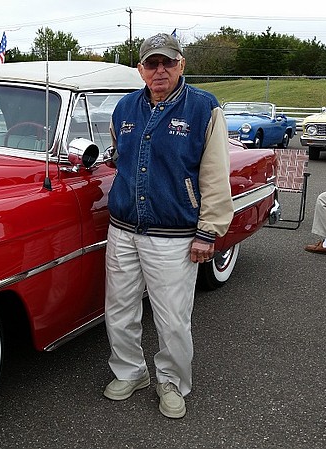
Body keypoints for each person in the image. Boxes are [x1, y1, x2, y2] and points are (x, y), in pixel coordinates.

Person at [102, 33, 234, 419]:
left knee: (173, 317)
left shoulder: (203, 108)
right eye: (152, 63)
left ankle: (172, 380)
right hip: (123, 227)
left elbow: (214, 174)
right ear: (140, 69)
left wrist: (208, 230)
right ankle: (130, 371)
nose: (160, 70)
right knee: (119, 309)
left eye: (168, 63)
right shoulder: (125, 107)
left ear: (181, 65)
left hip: (174, 233)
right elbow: (119, 157)